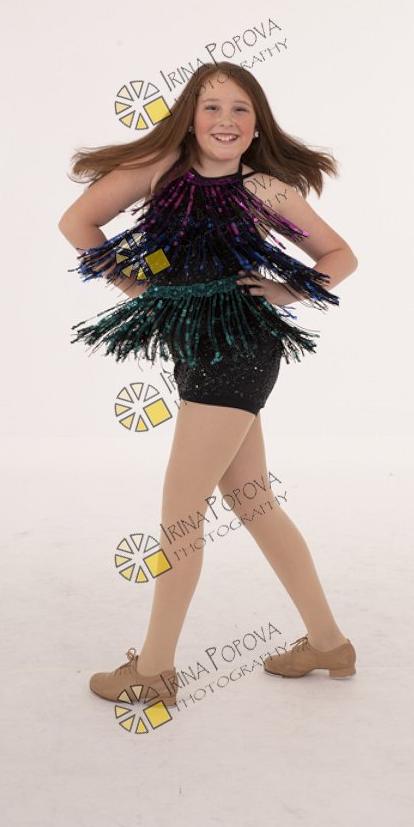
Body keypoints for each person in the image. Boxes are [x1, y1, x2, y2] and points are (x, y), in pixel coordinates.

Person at [57, 63, 359, 709]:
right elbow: (77, 222)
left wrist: (285, 290)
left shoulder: (265, 189)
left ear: (257, 126)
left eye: (241, 109)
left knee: (180, 513)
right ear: (189, 119)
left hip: (242, 351)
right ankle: (329, 643)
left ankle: (154, 671)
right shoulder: (157, 172)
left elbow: (341, 256)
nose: (226, 120)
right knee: (252, 500)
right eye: (212, 107)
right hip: (195, 350)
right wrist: (139, 287)